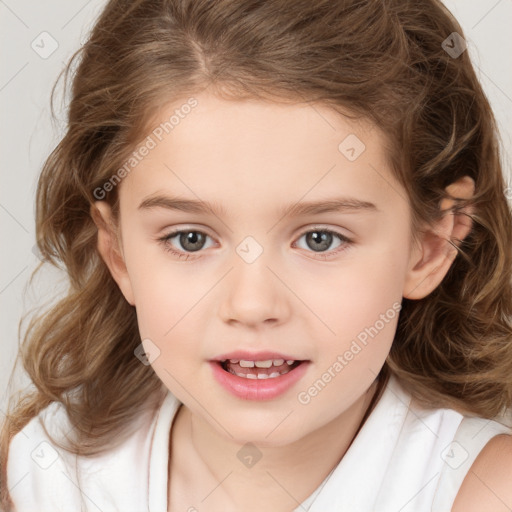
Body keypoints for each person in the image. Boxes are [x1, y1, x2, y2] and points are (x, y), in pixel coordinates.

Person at [2, 0, 512, 510]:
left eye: (320, 239)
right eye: (190, 239)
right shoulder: (42, 479)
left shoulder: (484, 492)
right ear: (117, 253)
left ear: (428, 247)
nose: (251, 304)